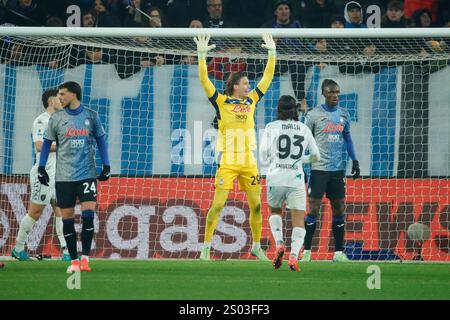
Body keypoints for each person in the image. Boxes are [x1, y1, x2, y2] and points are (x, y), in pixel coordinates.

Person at [194, 34, 276, 261]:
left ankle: (257, 246)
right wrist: (202, 56)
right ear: (235, 86)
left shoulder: (252, 101)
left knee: (258, 206)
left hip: (249, 162)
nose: (250, 86)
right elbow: (204, 80)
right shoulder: (221, 102)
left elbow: (267, 78)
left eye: (250, 84)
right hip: (228, 162)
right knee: (218, 205)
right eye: (246, 84)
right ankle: (207, 247)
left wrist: (272, 53)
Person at [38, 81, 111, 273]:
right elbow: (46, 143)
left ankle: (85, 258)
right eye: (59, 94)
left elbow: (101, 140)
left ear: (73, 95)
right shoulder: (56, 118)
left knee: (88, 216)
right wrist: (41, 168)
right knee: (67, 218)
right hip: (64, 177)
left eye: (62, 94)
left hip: (87, 174)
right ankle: (73, 260)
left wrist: (106, 165)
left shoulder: (91, 116)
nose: (59, 97)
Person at [301, 79, 360, 262]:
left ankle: (338, 253)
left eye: (337, 92)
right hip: (318, 169)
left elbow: (348, 139)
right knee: (313, 209)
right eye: (331, 92)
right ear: (324, 93)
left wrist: (355, 160)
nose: (335, 96)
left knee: (339, 208)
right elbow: (305, 141)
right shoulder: (313, 115)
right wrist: (303, 166)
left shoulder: (344, 114)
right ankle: (307, 251)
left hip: (337, 171)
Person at [260, 95, 320, 271]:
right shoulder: (303, 128)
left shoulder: (271, 127)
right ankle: (294, 257)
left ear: (279, 109)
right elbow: (316, 156)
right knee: (298, 221)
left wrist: (274, 157)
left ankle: (279, 243)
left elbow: (263, 153)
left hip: (275, 176)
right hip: (295, 179)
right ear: (295, 110)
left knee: (274, 211)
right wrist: (301, 159)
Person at [11, 89, 70, 261]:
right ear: (51, 101)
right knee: (35, 213)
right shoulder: (41, 121)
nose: (62, 100)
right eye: (59, 97)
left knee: (61, 212)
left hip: (59, 174)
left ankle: (67, 252)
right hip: (43, 174)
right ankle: (18, 248)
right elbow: (39, 146)